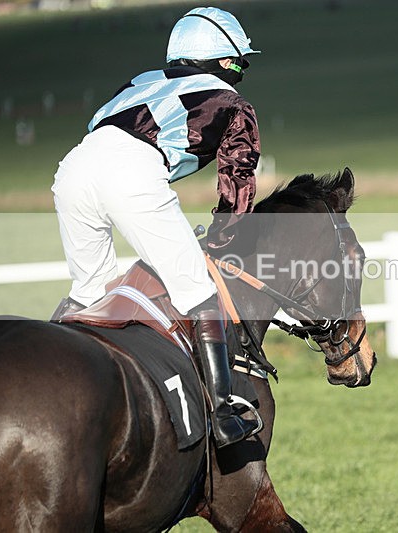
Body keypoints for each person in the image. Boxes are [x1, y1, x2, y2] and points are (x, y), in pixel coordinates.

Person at [50, 7, 262, 448]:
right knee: (196, 288)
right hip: (132, 171)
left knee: (91, 292)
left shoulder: (140, 80)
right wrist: (225, 234)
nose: (242, 71)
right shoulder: (232, 102)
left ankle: (45, 372)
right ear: (226, 60)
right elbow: (237, 177)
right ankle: (223, 413)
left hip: (73, 168)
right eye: (241, 62)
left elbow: (101, 131)